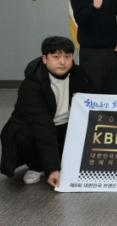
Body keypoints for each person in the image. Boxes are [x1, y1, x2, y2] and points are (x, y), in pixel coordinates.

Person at [1, 37, 95, 187]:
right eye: (56, 57)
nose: (62, 62)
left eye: (67, 57)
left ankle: (62, 161)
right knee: (21, 135)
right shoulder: (31, 84)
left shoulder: (79, 74)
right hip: (36, 128)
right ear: (45, 59)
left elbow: (93, 103)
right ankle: (36, 166)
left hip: (65, 126)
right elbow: (42, 126)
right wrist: (52, 169)